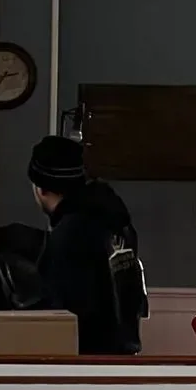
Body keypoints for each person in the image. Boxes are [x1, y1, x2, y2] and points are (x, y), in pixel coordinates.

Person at [29, 135, 143, 355]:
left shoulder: (70, 235)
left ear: (41, 188)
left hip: (86, 366)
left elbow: (64, 316)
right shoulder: (119, 224)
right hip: (123, 359)